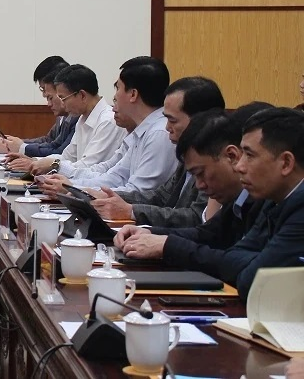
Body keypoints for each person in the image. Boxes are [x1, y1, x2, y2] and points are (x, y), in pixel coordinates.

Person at [114, 108, 268, 270]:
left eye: (201, 174)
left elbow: (244, 264)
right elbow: (207, 235)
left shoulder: (267, 202)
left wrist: (168, 246)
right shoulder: (239, 201)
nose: (199, 185)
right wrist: (149, 233)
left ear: (231, 156)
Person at [89, 76, 226, 225]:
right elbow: (161, 197)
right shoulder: (187, 154)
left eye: (172, 120)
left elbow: (196, 217)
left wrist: (131, 211)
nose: (167, 127)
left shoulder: (216, 159)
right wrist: (107, 197)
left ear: (200, 119)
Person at [36, 57, 174, 195]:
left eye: (118, 88)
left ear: (133, 94)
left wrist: (73, 188)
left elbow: (136, 193)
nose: (115, 96)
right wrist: (71, 185)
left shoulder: (159, 134)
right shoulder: (140, 132)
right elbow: (114, 177)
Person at [219, 107, 304, 296]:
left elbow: (253, 283)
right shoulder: (273, 199)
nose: (239, 166)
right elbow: (229, 258)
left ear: (286, 163)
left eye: (249, 155)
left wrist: (258, 261)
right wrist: (259, 259)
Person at [26, 64, 126, 175]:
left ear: (82, 95)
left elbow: (87, 166)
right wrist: (35, 161)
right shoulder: (82, 119)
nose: (63, 105)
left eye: (63, 98)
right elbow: (68, 157)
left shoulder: (108, 121)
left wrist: (52, 165)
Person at [0, 55, 70, 154]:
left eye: (45, 89)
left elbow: (59, 151)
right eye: (42, 89)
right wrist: (13, 143)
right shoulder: (63, 115)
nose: (44, 95)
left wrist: (19, 148)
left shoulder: (75, 115)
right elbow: (48, 141)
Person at [4, 63, 78, 167]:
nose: (48, 102)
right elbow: (51, 142)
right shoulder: (65, 115)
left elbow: (60, 152)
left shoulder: (77, 116)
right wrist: (17, 145)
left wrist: (22, 148)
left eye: (49, 96)